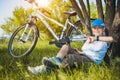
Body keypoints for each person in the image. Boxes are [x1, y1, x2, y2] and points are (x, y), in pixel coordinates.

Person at [28, 19, 113, 75]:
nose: (97, 30)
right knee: (66, 47)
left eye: (99, 28)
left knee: (70, 57)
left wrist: (96, 38)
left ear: (103, 29)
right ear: (93, 29)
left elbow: (111, 39)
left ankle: (43, 69)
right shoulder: (89, 39)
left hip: (92, 61)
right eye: (95, 28)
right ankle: (55, 61)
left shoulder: (104, 40)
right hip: (83, 55)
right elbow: (87, 51)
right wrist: (80, 52)